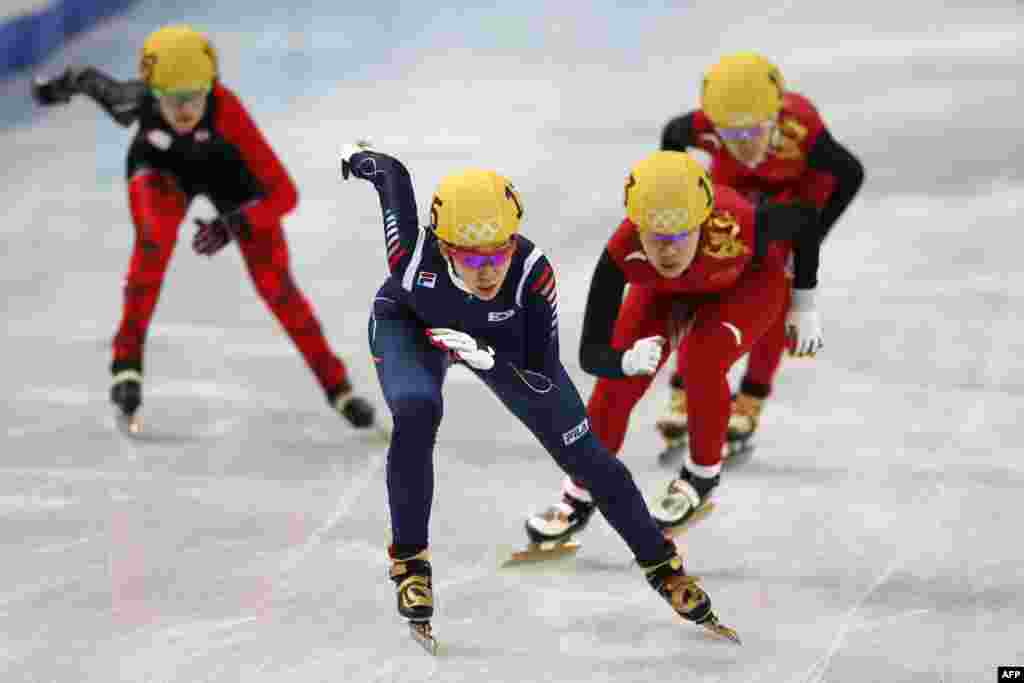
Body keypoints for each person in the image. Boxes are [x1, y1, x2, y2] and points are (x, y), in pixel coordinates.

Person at [340, 142, 739, 651]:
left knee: (587, 456)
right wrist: (355, 157)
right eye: (471, 257)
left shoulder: (532, 274)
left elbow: (545, 375)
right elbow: (391, 176)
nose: (488, 270)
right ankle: (410, 561)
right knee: (418, 411)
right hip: (412, 329)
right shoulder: (413, 257)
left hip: (502, 349)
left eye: (498, 252)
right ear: (444, 248)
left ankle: (664, 566)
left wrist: (490, 359)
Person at [30, 24, 375, 431]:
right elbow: (86, 81)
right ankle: (126, 365)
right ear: (151, 92)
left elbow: (285, 194)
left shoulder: (228, 110)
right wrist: (52, 89)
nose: (184, 112)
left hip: (234, 183)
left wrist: (235, 225)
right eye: (172, 100)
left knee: (276, 286)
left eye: (195, 97)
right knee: (152, 245)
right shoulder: (132, 102)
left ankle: (338, 387)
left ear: (211, 87)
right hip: (162, 169)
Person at [525, 149, 819, 544]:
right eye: (654, 237)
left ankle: (700, 475)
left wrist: (803, 302)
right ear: (635, 226)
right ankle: (579, 492)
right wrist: (625, 360)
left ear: (704, 222)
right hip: (664, 292)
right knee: (616, 386)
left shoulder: (738, 225)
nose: (667, 251)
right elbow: (590, 355)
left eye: (680, 236)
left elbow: (805, 221)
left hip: (745, 285)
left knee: (701, 360)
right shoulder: (621, 251)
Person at [656, 52, 864, 455]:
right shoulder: (699, 129)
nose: (745, 143)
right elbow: (671, 137)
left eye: (755, 131)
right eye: (732, 135)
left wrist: (813, 237)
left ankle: (750, 401)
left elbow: (850, 173)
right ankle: (683, 393)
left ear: (777, 119)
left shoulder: (802, 129)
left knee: (773, 297)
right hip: (735, 189)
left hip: (794, 192)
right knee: (705, 285)